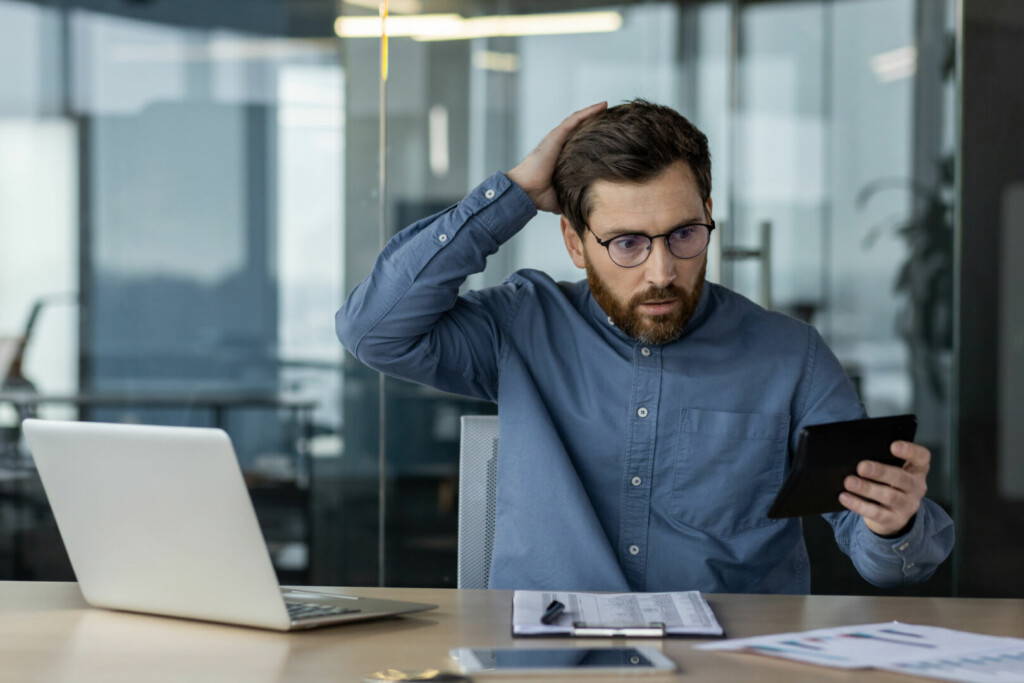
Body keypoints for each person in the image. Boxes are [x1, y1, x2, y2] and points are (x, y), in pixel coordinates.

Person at [336, 99, 954, 593]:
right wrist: (514, 196)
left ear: (709, 214)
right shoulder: (521, 326)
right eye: (627, 243)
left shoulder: (790, 355)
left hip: (729, 664)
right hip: (550, 663)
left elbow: (889, 561)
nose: (662, 270)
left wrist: (893, 521)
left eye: (684, 234)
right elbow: (373, 331)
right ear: (576, 244)